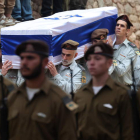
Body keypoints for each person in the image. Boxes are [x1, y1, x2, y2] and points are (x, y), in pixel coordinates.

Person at [7, 40, 78, 140]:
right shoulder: (13, 98)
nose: (24, 62)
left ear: (44, 62)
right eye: (22, 58)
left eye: (30, 58)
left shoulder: (60, 100)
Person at [74, 42, 134, 140]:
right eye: (89, 59)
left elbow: (129, 131)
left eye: (97, 59)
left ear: (109, 63)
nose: (92, 63)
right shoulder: (80, 95)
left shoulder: (122, 94)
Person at [109, 15, 138, 86]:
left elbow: (121, 71)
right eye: (117, 25)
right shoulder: (109, 44)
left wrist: (110, 53)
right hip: (109, 88)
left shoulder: (131, 49)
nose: (118, 27)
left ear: (127, 31)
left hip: (124, 90)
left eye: (122, 26)